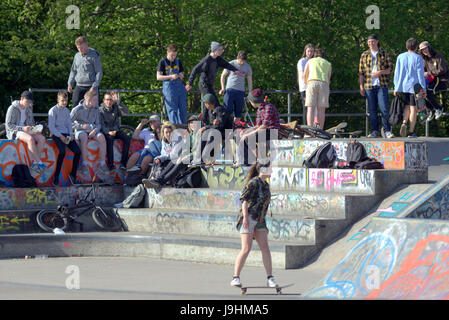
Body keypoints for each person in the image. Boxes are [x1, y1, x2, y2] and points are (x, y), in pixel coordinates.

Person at [231, 161, 278, 288]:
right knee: (246, 248)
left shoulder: (266, 185)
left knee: (265, 248)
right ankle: (236, 277)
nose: (272, 170)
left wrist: (264, 224)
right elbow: (244, 200)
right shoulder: (253, 183)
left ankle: (270, 278)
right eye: (269, 168)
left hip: (260, 220)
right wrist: (245, 218)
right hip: (249, 218)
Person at [142, 115, 201, 188]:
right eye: (191, 123)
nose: (193, 125)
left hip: (196, 157)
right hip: (181, 156)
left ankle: (159, 181)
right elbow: (186, 148)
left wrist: (184, 156)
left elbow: (198, 151)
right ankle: (156, 180)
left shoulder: (199, 134)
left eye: (195, 123)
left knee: (174, 161)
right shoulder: (190, 134)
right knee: (159, 160)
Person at [359, 34, 394, 138]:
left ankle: (387, 130)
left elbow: (390, 69)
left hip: (381, 85)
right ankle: (375, 131)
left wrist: (380, 72)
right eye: (369, 42)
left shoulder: (384, 53)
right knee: (372, 110)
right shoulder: (364, 55)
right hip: (369, 86)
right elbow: (361, 72)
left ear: (377, 42)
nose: (371, 44)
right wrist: (361, 86)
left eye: (373, 41)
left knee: (384, 109)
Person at [185, 41, 238, 111]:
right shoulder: (206, 60)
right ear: (214, 50)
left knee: (212, 103)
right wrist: (190, 83)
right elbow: (195, 69)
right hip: (204, 84)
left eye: (221, 50)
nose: (221, 51)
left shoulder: (218, 59)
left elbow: (226, 64)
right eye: (219, 50)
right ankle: (212, 120)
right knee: (211, 102)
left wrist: (235, 70)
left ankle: (205, 120)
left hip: (209, 85)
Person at [5, 91, 47, 174]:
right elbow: (9, 125)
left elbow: (31, 123)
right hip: (15, 131)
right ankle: (39, 162)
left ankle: (35, 163)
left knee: (42, 138)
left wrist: (35, 130)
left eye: (30, 102)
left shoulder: (29, 108)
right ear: (21, 99)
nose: (29, 103)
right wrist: (23, 128)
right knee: (30, 139)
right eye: (27, 101)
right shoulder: (12, 108)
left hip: (27, 130)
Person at [394, 38, 427, 138]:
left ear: (406, 46)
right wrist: (423, 89)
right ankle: (411, 131)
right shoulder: (418, 58)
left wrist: (396, 87)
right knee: (414, 108)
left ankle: (404, 122)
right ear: (416, 47)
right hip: (415, 87)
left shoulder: (400, 57)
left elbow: (397, 73)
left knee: (407, 106)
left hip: (404, 86)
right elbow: (420, 75)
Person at [70, 90, 108, 176]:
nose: (97, 102)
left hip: (92, 130)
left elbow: (98, 124)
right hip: (80, 131)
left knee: (101, 137)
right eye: (95, 100)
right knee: (83, 137)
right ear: (88, 100)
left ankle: (102, 164)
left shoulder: (96, 109)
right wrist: (81, 126)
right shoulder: (77, 109)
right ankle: (84, 164)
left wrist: (95, 131)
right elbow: (69, 123)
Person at [48, 91, 81, 186]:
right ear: (58, 100)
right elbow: (51, 127)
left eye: (66, 101)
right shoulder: (53, 110)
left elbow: (69, 125)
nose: (64, 103)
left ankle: (73, 175)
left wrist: (71, 135)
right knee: (62, 152)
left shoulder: (66, 111)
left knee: (78, 152)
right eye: (62, 100)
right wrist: (60, 136)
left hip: (66, 134)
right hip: (56, 134)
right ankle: (56, 177)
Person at [238, 89, 280, 165]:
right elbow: (258, 126)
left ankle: (257, 160)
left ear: (254, 101)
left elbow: (264, 125)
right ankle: (251, 160)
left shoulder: (268, 107)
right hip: (264, 130)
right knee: (242, 135)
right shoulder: (259, 110)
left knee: (248, 137)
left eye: (250, 102)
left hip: (272, 131)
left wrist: (248, 134)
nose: (250, 103)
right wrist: (247, 131)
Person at [67, 36, 103, 108]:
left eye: (81, 47)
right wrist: (70, 84)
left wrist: (94, 86)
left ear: (86, 45)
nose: (80, 50)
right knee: (75, 105)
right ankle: (73, 120)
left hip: (91, 86)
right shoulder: (76, 56)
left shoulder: (94, 55)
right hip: (79, 85)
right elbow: (73, 70)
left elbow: (99, 72)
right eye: (78, 48)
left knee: (93, 107)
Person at [99, 91, 131, 171]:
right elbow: (101, 124)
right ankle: (111, 165)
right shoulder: (100, 110)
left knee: (127, 138)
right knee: (110, 139)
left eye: (110, 100)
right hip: (106, 131)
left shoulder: (116, 107)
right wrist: (108, 131)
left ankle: (123, 163)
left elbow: (126, 113)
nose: (109, 102)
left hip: (116, 130)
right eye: (107, 100)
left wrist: (118, 102)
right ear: (103, 100)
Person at [157, 44, 188, 124]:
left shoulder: (178, 61)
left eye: (175, 55)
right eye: (172, 55)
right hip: (169, 88)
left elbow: (182, 74)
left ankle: (183, 128)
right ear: (167, 52)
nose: (173, 57)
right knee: (172, 110)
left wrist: (181, 76)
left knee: (183, 109)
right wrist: (170, 76)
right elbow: (158, 77)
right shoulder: (162, 62)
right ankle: (175, 129)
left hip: (179, 88)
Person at [219, 50, 253, 122]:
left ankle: (236, 128)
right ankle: (226, 129)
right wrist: (222, 88)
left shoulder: (247, 67)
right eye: (240, 61)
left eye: (243, 61)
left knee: (238, 112)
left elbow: (249, 80)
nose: (242, 63)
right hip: (230, 90)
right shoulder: (231, 63)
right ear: (237, 57)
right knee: (227, 110)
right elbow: (223, 76)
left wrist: (250, 93)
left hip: (240, 91)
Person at [418, 41, 448, 121]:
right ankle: (432, 109)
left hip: (442, 80)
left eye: (425, 48)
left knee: (428, 91)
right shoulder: (425, 59)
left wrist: (429, 73)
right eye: (422, 50)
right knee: (420, 92)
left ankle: (439, 108)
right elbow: (423, 71)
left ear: (429, 47)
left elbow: (442, 70)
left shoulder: (437, 56)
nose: (424, 51)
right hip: (432, 80)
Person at [302, 49, 332, 129]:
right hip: (324, 83)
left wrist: (306, 83)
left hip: (312, 82)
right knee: (321, 109)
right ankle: (320, 129)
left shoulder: (310, 61)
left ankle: (310, 129)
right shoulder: (328, 63)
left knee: (310, 108)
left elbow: (304, 75)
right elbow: (329, 78)